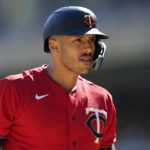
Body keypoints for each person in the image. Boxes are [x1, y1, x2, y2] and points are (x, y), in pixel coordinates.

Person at [0, 6, 116, 150]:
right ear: (53, 45)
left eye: (92, 40)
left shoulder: (102, 99)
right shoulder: (13, 89)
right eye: (78, 40)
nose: (88, 48)